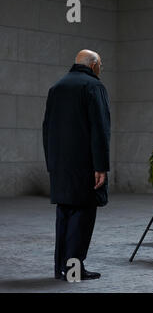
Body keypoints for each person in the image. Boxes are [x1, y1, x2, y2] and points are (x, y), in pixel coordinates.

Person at [42, 49, 110, 281]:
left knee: (64, 214)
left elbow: (46, 128)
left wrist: (51, 162)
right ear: (93, 66)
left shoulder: (57, 87)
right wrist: (101, 166)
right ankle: (73, 269)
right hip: (85, 165)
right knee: (82, 216)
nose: (102, 68)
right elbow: (100, 130)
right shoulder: (93, 87)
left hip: (60, 165)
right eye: (101, 64)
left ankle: (61, 268)